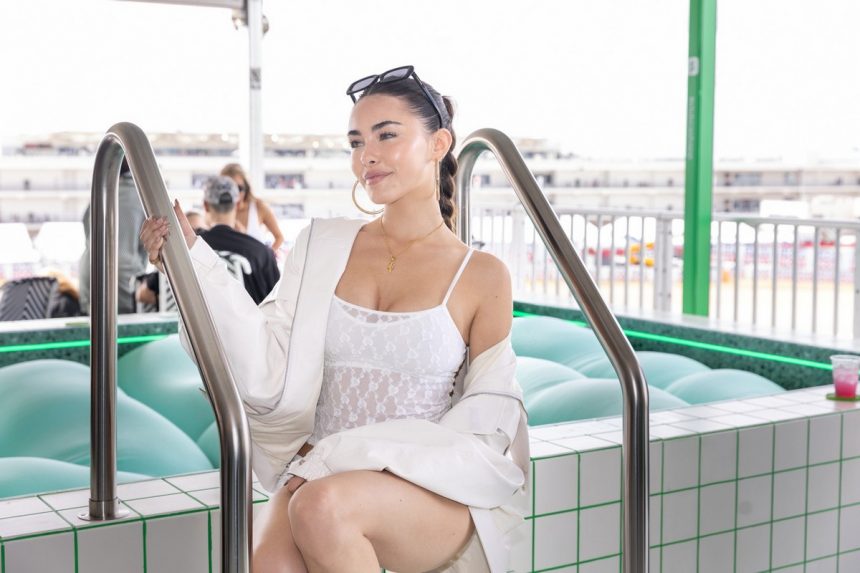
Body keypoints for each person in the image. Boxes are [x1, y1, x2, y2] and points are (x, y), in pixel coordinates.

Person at [140, 65, 528, 573]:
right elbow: (265, 355)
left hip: (429, 486)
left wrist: (354, 455)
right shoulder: (322, 246)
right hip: (318, 476)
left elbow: (491, 416)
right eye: (356, 142)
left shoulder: (482, 275)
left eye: (386, 135)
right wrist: (190, 260)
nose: (367, 155)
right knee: (276, 558)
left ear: (439, 144)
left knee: (323, 508)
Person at [79, 158, 148, 315]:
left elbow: (87, 229)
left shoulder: (100, 191)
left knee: (95, 324)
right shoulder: (143, 196)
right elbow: (148, 245)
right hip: (124, 278)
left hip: (90, 272)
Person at [220, 163, 285, 252]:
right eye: (229, 188)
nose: (235, 193)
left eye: (239, 188)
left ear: (246, 187)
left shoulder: (258, 206)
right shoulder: (217, 210)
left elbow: (279, 237)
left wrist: (266, 257)